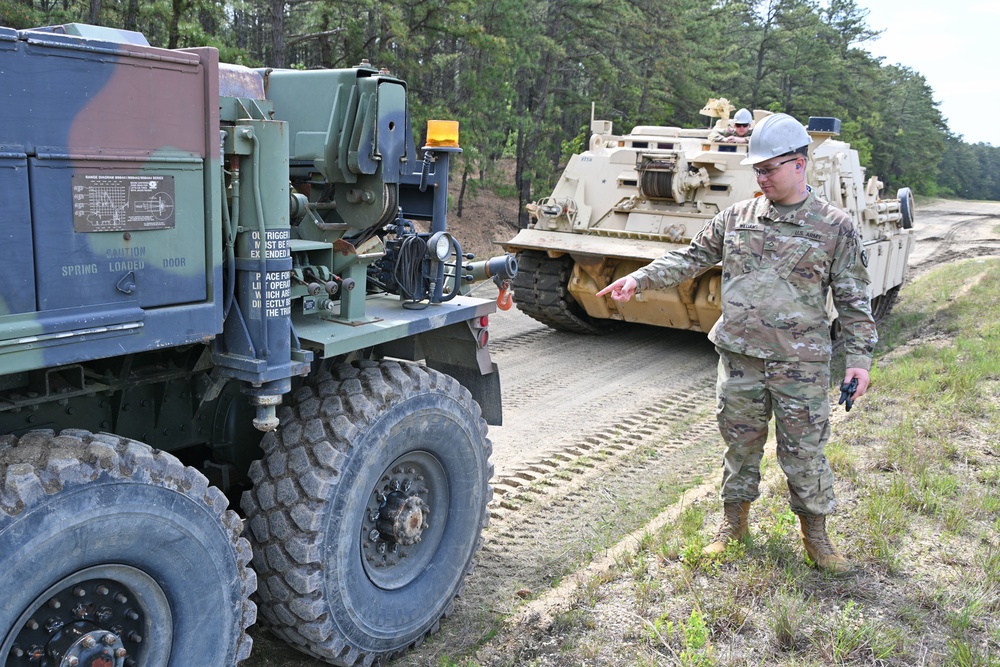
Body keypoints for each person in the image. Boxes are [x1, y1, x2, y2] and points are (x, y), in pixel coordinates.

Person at [596, 113, 876, 574]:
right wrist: (640, 279)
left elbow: (853, 300)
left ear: (800, 164)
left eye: (770, 168)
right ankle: (733, 527)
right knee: (739, 448)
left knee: (803, 453)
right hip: (740, 360)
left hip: (799, 366)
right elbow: (691, 257)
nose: (761, 177)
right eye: (757, 169)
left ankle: (818, 540)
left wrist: (860, 361)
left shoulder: (835, 226)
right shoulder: (737, 217)